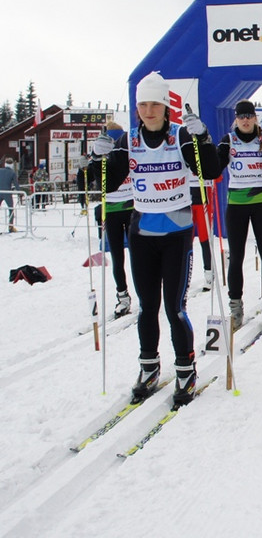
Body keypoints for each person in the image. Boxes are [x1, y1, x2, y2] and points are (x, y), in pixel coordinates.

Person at [92, 72, 220, 405]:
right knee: (147, 307)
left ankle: (185, 369)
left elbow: (210, 170)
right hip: (142, 233)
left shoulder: (179, 137)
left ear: (166, 107)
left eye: (155, 104)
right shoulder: (129, 141)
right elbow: (106, 182)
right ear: (137, 108)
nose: (149, 110)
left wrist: (202, 137)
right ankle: (148, 367)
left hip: (176, 233)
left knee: (174, 308)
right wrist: (97, 157)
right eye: (143, 105)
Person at [217, 100, 262, 331]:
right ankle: (235, 308)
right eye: (241, 116)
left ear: (255, 118)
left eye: (249, 116)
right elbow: (214, 167)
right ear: (236, 119)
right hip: (236, 205)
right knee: (236, 257)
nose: (245, 120)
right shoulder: (228, 140)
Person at [85, 121, 135, 317]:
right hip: (112, 209)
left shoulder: (127, 150)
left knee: (136, 255)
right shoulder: (101, 153)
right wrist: (87, 169)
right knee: (117, 256)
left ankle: (142, 292)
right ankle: (122, 295)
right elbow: (94, 180)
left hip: (131, 207)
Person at [0, 157, 19, 232]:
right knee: (11, 209)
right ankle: (10, 227)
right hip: (7, 193)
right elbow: (16, 184)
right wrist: (20, 193)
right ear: (12, 165)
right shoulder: (12, 173)